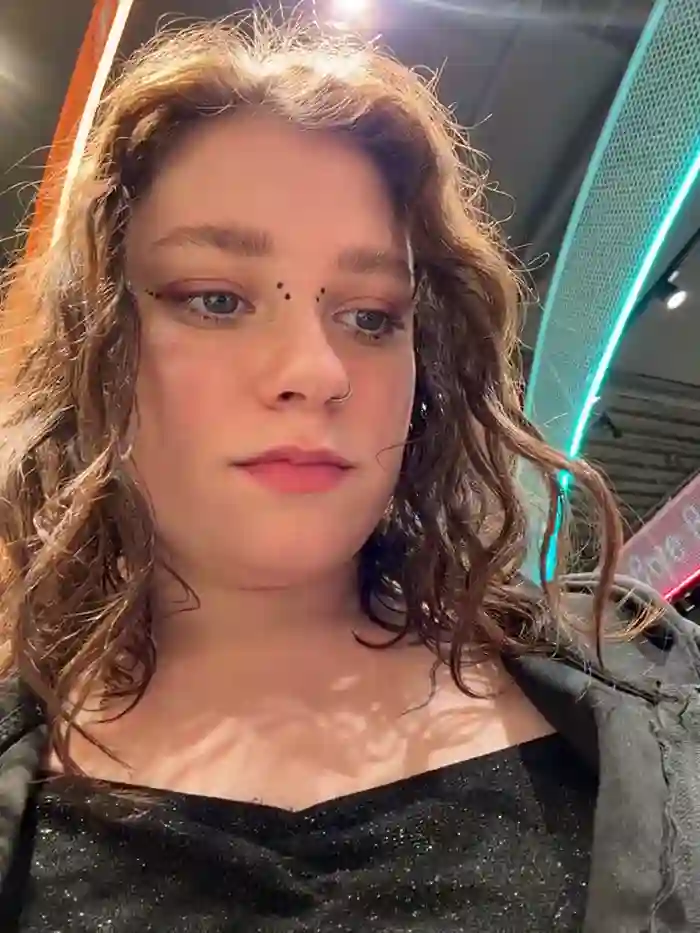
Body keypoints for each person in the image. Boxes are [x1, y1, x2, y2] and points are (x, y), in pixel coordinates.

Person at [0, 17, 698, 933]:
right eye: (217, 300)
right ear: (101, 344)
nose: (318, 370)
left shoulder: (654, 707)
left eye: (370, 317)